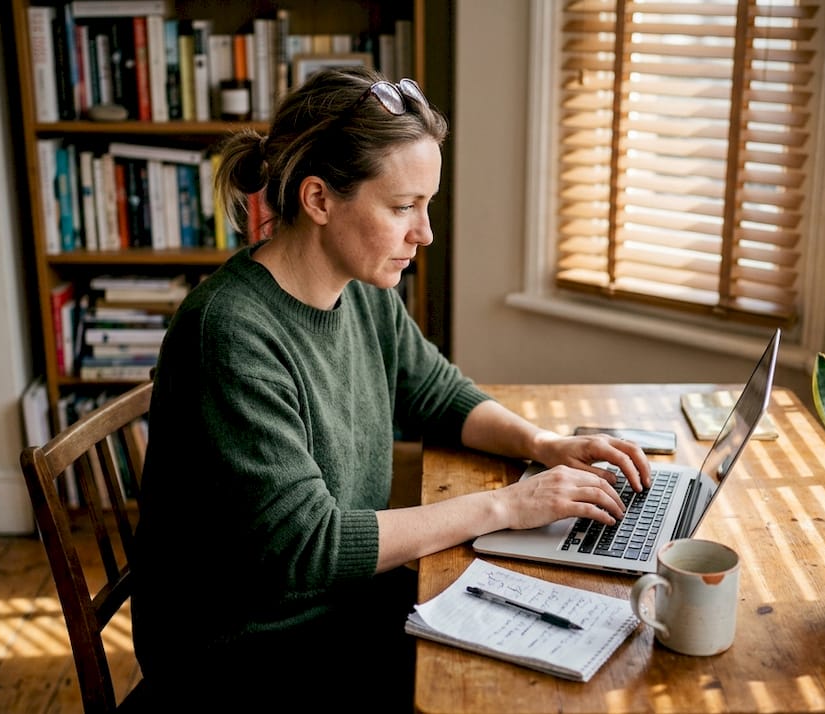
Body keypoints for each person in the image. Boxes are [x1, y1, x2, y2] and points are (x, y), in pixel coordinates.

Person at [131, 66, 652, 711]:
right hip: (245, 657)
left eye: (426, 205)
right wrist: (512, 505)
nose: (424, 233)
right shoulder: (229, 334)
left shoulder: (359, 288)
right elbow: (310, 546)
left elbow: (435, 392)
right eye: (403, 206)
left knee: (586, 641)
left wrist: (543, 444)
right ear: (319, 200)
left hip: (344, 606)